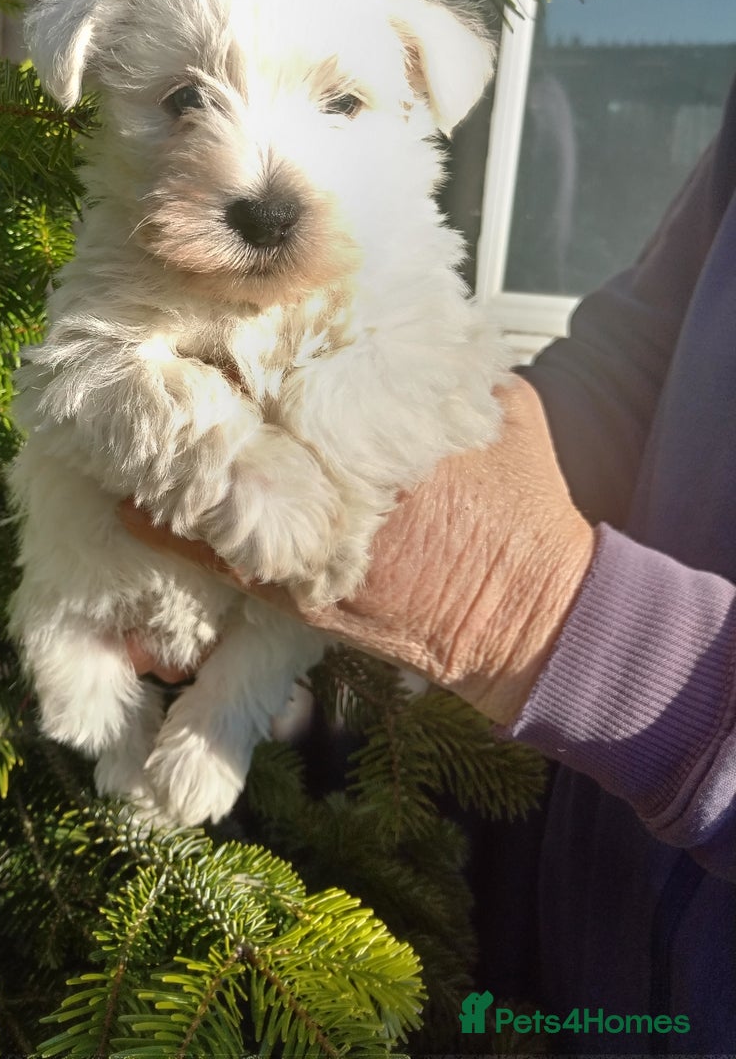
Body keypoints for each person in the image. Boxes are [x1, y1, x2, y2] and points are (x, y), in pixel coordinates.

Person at [121, 75, 736, 1054]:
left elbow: (521, 595)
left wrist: (525, 606)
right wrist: (447, 435)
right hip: (597, 956)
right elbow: (643, 350)